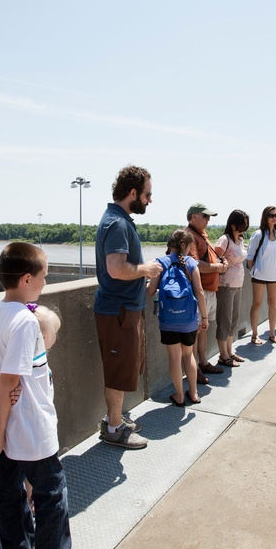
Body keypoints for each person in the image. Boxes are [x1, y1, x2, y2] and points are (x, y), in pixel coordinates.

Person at [0, 242, 98, 549]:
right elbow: (12, 378)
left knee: (9, 489)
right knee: (51, 491)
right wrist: (2, 424)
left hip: (11, 426)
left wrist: (1, 395)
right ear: (27, 278)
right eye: (43, 277)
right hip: (29, 426)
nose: (45, 283)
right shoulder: (26, 322)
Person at [93, 165, 161, 449]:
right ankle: (114, 428)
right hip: (118, 312)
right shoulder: (118, 224)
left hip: (123, 310)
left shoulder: (119, 219)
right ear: (133, 192)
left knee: (122, 368)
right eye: (147, 194)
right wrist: (147, 268)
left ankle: (115, 419)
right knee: (119, 371)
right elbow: (117, 269)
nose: (149, 200)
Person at [148, 229, 208, 407]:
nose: (190, 250)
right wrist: (204, 317)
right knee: (188, 355)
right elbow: (200, 292)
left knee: (174, 357)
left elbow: (151, 291)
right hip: (189, 319)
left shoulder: (161, 263)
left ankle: (180, 396)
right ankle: (194, 394)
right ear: (184, 245)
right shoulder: (191, 263)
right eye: (190, 246)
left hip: (168, 320)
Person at [184, 203, 227, 381]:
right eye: (206, 216)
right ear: (193, 217)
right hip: (198, 291)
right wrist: (219, 267)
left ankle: (203, 362)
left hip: (209, 290)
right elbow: (195, 265)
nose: (209, 220)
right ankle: (195, 370)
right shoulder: (189, 236)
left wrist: (220, 264)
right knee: (195, 333)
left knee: (204, 329)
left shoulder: (202, 235)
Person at [214, 209, 249, 367]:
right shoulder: (224, 239)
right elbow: (215, 257)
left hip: (238, 284)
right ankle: (223, 355)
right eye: (242, 224)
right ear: (233, 224)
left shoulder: (240, 240)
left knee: (233, 320)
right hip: (225, 285)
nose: (244, 227)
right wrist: (223, 263)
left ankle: (230, 351)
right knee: (224, 320)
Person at [246, 205, 276, 345]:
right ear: (265, 217)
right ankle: (255, 335)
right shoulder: (259, 234)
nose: (274, 218)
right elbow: (250, 257)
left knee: (273, 304)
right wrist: (253, 272)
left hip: (274, 275)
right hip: (259, 275)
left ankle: (272, 334)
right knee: (257, 304)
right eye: (271, 215)